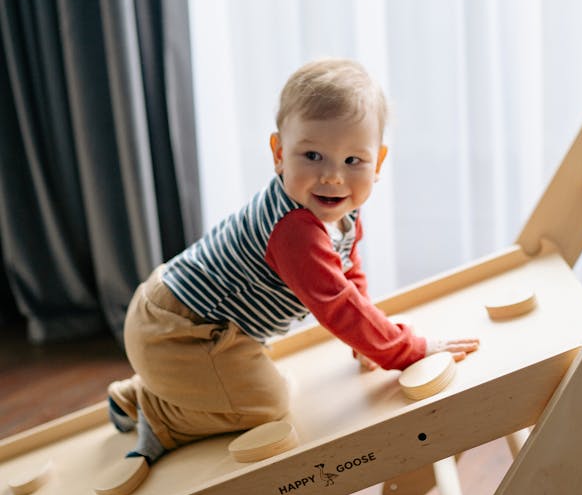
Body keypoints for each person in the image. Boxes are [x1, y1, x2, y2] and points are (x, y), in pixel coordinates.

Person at [107, 58, 480, 467]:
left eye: (353, 161)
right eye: (313, 155)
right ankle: (159, 415)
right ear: (279, 154)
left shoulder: (339, 210)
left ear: (378, 163)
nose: (334, 177)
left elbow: (348, 275)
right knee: (271, 403)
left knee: (258, 382)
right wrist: (407, 350)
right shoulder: (295, 230)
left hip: (178, 317)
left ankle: (138, 394)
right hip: (182, 332)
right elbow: (336, 305)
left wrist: (368, 343)